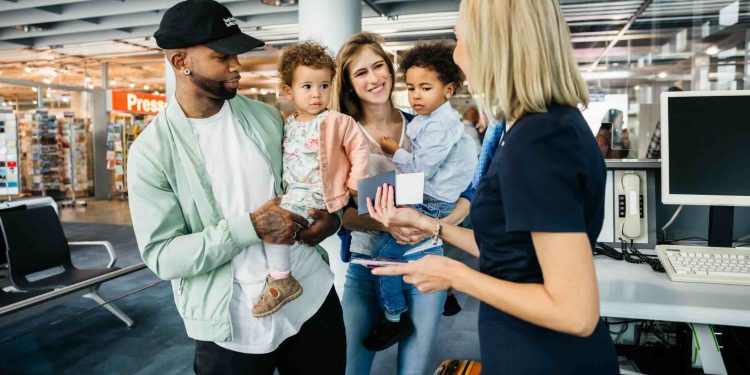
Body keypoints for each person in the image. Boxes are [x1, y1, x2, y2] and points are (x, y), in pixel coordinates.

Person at [366, 1, 619, 374]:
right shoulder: (536, 126)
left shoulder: (539, 140)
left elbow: (575, 312)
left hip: (546, 357)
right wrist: (426, 225)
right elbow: (510, 250)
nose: (457, 53)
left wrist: (454, 274)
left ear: (491, 44)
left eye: (459, 38)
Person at [128, 1, 345, 373]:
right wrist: (250, 227)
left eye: (237, 55)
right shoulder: (151, 151)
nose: (236, 67)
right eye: (222, 57)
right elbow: (163, 256)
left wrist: (332, 219)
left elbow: (309, 180)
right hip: (233, 322)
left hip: (311, 295)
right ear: (181, 62)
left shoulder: (264, 117)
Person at [331, 32, 473, 375]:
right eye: (360, 72)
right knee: (352, 367)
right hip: (369, 263)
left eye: (378, 66)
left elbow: (468, 195)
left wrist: (430, 226)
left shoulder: (425, 125)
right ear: (348, 83)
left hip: (426, 257)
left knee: (413, 370)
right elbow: (342, 216)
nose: (374, 78)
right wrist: (387, 222)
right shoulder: (342, 135)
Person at [363, 41, 477, 351]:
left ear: (448, 90)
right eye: (411, 87)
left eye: (425, 88)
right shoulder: (427, 121)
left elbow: (421, 168)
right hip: (428, 195)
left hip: (432, 200)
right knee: (420, 247)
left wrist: (393, 150)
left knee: (384, 257)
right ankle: (448, 297)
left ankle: (394, 318)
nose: (416, 95)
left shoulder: (440, 125)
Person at [253, 41, 369, 317]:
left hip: (320, 194)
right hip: (294, 192)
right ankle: (282, 274)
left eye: (324, 86)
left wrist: (355, 184)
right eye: (307, 87)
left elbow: (359, 150)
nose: (317, 94)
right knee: (265, 221)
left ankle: (281, 279)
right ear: (287, 90)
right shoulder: (288, 122)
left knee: (275, 225)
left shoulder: (337, 121)